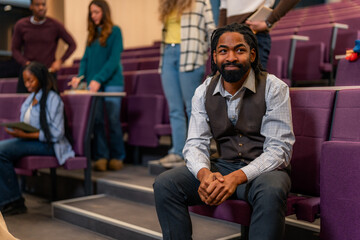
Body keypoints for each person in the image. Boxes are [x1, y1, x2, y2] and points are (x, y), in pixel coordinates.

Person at [153, 23, 295, 240]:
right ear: (214, 56)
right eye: (223, 51)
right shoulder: (203, 91)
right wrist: (205, 175)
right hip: (224, 165)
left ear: (253, 55)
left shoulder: (274, 88)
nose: (231, 57)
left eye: (239, 50)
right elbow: (194, 144)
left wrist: (236, 178)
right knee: (166, 184)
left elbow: (279, 150)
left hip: (265, 171)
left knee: (272, 190)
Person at [0, 62, 75, 216]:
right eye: (25, 81)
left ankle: (13, 201)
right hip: (30, 141)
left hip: (49, 145)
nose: (27, 84)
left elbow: (57, 133)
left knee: (1, 151)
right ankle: (7, 198)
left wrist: (25, 135)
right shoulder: (30, 99)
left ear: (40, 78)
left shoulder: (53, 99)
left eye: (31, 80)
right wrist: (19, 130)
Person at [157, 0, 215, 168]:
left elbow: (211, 29)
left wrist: (205, 53)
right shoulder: (167, 3)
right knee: (175, 109)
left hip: (190, 54)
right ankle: (177, 151)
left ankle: (195, 152)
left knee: (192, 108)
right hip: (168, 53)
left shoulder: (201, 2)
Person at [69, 0, 125, 172]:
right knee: (98, 120)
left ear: (104, 12)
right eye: (91, 13)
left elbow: (113, 60)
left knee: (113, 120)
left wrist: (99, 78)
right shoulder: (91, 35)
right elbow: (85, 59)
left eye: (96, 12)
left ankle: (117, 156)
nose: (93, 16)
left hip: (112, 82)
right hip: (94, 84)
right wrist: (79, 77)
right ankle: (102, 156)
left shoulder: (115, 31)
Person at [11, 0, 76, 93]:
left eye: (43, 4)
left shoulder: (55, 25)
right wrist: (25, 63)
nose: (41, 7)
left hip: (48, 72)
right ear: (31, 6)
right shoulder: (21, 25)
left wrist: (60, 61)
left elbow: (72, 44)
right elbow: (14, 49)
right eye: (37, 5)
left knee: (51, 104)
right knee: (23, 104)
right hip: (28, 73)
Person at [218, 0, 300, 69]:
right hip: (229, 37)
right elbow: (224, 7)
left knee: (253, 85)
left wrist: (269, 21)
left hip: (254, 34)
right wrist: (220, 37)